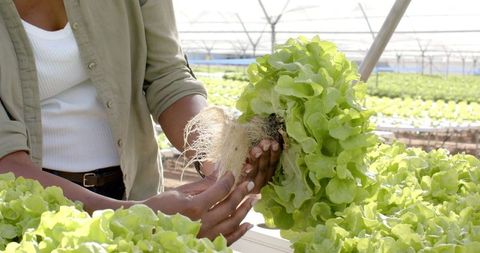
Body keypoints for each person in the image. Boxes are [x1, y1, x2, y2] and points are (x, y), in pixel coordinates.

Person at [0, 0, 280, 245]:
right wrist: (131, 217)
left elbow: (167, 76)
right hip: (28, 208)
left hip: (135, 190)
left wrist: (220, 157)